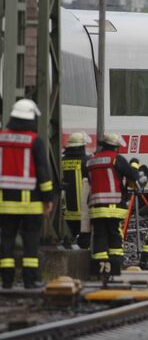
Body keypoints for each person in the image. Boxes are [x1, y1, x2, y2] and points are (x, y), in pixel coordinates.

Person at [0, 99, 54, 289]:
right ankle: (31, 280)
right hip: (31, 203)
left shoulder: (1, 138)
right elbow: (43, 173)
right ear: (30, 117)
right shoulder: (35, 141)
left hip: (4, 203)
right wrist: (48, 198)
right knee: (31, 242)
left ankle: (6, 280)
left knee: (5, 240)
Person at [87, 133, 140, 277]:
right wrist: (135, 164)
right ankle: (115, 268)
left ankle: (100, 272)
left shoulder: (92, 160)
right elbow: (133, 176)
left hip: (96, 206)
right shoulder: (116, 159)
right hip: (113, 206)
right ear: (116, 146)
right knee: (115, 237)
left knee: (99, 237)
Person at [62, 132, 91, 247]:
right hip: (84, 212)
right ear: (82, 146)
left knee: (67, 239)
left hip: (66, 212)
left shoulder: (61, 161)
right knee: (85, 239)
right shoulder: (87, 161)